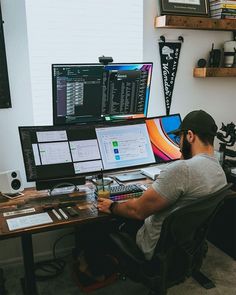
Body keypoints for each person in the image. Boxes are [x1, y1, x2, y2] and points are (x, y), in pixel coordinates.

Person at [97, 109, 227, 260]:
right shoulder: (219, 172)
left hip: (154, 246)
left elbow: (137, 211)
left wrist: (112, 206)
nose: (179, 145)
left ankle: (93, 270)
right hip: (182, 245)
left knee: (99, 223)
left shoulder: (182, 170)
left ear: (190, 136)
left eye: (180, 138)